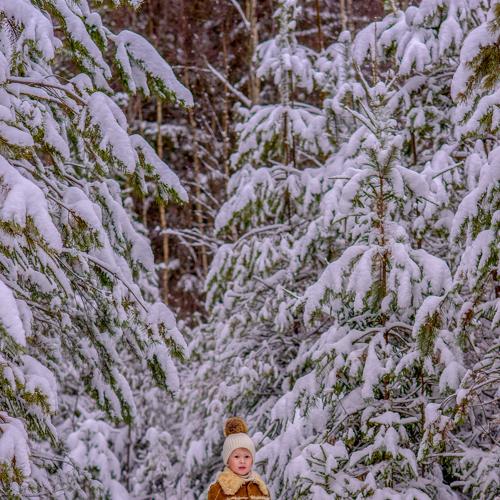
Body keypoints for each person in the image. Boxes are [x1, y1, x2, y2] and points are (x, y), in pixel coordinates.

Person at [208, 417, 271, 499]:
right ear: (227, 460)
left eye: (247, 456)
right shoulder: (219, 489)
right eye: (236, 457)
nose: (242, 461)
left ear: (252, 460)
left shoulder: (261, 488)